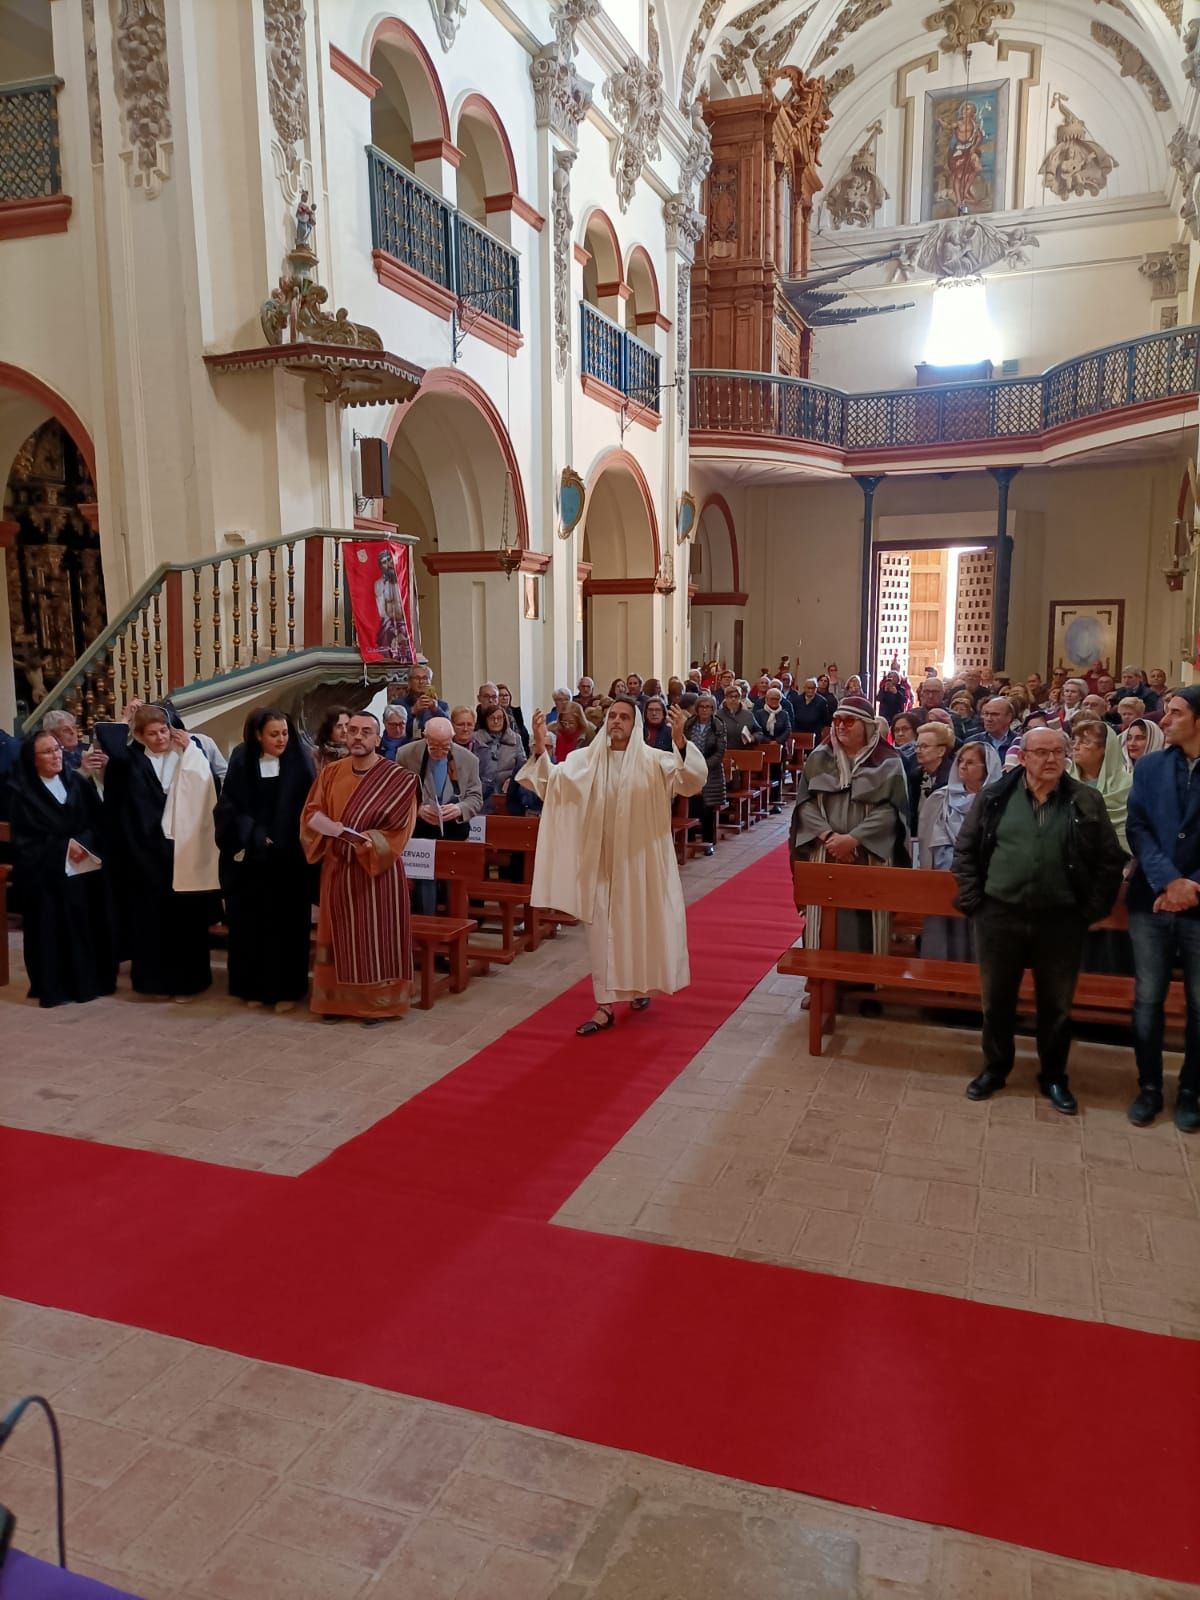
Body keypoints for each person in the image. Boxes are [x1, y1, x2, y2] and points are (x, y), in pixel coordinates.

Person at [951, 725, 1125, 1114]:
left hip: (1060, 919)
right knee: (996, 1000)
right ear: (1024, 757)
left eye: (1058, 753)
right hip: (999, 914)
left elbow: (1109, 861)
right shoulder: (996, 797)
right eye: (1041, 753)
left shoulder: (1085, 800)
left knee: (1056, 1005)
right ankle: (995, 1069)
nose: (1051, 760)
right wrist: (975, 901)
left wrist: (1090, 910)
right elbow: (965, 851)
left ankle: (1053, 1076)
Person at [518, 699, 706, 1034]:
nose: (617, 721)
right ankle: (604, 1005)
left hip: (642, 862)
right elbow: (551, 783)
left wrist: (680, 741)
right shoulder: (586, 760)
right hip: (601, 863)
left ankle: (637, 989)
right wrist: (538, 743)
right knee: (602, 935)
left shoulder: (655, 761)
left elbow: (690, 781)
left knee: (638, 928)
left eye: (624, 717)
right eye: (612, 716)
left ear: (634, 725)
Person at [301, 711, 419, 1023]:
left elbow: (400, 829)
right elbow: (311, 812)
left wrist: (367, 841)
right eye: (351, 730)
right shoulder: (330, 773)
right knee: (337, 937)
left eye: (366, 731)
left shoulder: (398, 779)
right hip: (338, 868)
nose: (357, 736)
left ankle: (377, 1004)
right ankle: (335, 1003)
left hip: (376, 871)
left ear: (378, 739)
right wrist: (327, 826)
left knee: (374, 939)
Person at [104, 704, 218, 1001]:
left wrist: (190, 750)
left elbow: (208, 793)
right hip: (145, 856)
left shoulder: (189, 756)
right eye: (152, 734)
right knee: (151, 923)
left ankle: (188, 983)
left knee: (186, 924)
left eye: (164, 730)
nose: (160, 738)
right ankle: (153, 982)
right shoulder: (127, 764)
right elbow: (119, 812)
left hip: (184, 852)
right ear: (140, 736)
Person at [1125, 687, 1200, 1131]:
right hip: (1152, 896)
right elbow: (1138, 827)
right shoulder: (1151, 766)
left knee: (1199, 1004)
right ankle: (1149, 1087)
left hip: (1197, 902)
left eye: (1175, 713)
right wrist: (1168, 879)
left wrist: (1193, 885)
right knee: (1148, 998)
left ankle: (1190, 1090)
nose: (1164, 720)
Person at [790, 695, 911, 953]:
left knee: (869, 921)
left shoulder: (889, 761)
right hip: (826, 851)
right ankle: (820, 983)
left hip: (871, 852)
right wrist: (829, 836)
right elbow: (805, 804)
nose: (841, 726)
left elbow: (892, 810)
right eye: (837, 720)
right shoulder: (819, 757)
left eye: (849, 720)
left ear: (867, 726)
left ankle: (868, 988)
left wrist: (853, 839)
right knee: (822, 921)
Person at [215, 708, 316, 1012]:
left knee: (287, 928)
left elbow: (309, 807)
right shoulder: (241, 759)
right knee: (251, 927)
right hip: (252, 863)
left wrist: (282, 837)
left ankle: (287, 990)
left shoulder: (299, 761)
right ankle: (252, 988)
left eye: (285, 733)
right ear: (258, 735)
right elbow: (229, 806)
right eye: (274, 734)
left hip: (288, 862)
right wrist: (256, 835)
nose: (281, 739)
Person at [8, 730, 117, 1007]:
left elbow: (98, 822)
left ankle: (88, 982)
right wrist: (64, 849)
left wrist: (82, 843)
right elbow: (24, 841)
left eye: (57, 749)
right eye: (47, 752)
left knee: (86, 923)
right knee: (50, 928)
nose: (56, 755)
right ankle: (54, 987)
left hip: (81, 870)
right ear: (33, 760)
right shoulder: (20, 793)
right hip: (45, 875)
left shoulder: (77, 783)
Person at [916, 740, 1001, 958]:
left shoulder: (999, 802)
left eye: (971, 762)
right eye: (961, 761)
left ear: (987, 768)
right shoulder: (939, 798)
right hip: (943, 879)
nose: (963, 766)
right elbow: (926, 843)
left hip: (984, 883)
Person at [395, 716, 484, 913]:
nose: (439, 752)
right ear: (424, 737)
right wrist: (417, 809)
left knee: (456, 883)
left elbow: (476, 798)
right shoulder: (406, 754)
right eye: (433, 746)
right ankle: (428, 931)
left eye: (445, 747)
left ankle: (458, 930)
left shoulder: (468, 759)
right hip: (421, 827)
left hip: (455, 828)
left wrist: (459, 808)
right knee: (425, 884)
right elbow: (397, 793)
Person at [1069, 717, 1132, 853]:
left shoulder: (1127, 784)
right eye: (1075, 741)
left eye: (1085, 742)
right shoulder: (1064, 781)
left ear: (1105, 748)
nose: (1075, 746)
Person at [684, 692, 726, 854]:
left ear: (713, 709)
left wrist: (703, 765)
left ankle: (708, 842)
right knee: (693, 805)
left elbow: (720, 751)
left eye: (708, 707)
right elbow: (684, 744)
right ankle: (691, 839)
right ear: (697, 708)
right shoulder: (689, 724)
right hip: (691, 769)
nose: (705, 710)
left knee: (707, 807)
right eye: (702, 706)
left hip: (711, 771)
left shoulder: (718, 725)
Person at [910, 721, 956, 835]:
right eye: (917, 746)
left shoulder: (954, 777)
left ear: (941, 750)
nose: (918, 751)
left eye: (924, 746)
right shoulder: (915, 775)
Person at [472, 704, 524, 802]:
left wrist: (512, 780)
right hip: (480, 793)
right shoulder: (475, 739)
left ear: (505, 719)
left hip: (507, 793)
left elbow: (522, 766)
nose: (496, 721)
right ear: (485, 720)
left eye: (499, 718)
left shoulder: (516, 739)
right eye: (492, 718)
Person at [965, 696, 1019, 762]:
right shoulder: (972, 742)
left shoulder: (1019, 742)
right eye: (986, 714)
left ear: (1009, 717)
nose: (989, 719)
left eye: (995, 714)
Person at [404, 665, 449, 736]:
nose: (421, 682)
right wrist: (412, 711)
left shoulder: (442, 705)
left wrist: (436, 710)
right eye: (417, 678)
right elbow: (396, 729)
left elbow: (448, 726)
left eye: (425, 678)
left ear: (430, 681)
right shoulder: (399, 704)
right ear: (409, 682)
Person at [716, 683, 762, 751]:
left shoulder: (748, 715)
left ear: (740, 698)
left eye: (736, 696)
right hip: (723, 752)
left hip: (744, 752)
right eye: (730, 696)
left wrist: (753, 737)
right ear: (725, 698)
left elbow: (759, 732)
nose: (733, 699)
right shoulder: (717, 715)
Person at [41, 708, 85, 773]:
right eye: (66, 730)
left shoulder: (84, 750)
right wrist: (84, 771)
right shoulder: (54, 760)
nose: (73, 732)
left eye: (73, 727)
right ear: (52, 735)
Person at [496, 684, 529, 753]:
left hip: (520, 750)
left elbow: (524, 733)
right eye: (501, 695)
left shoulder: (516, 713)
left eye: (506, 695)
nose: (504, 698)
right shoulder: (493, 715)